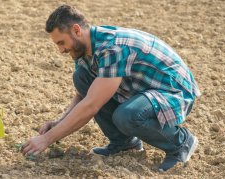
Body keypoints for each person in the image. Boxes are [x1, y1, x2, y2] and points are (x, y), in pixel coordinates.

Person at [22, 5, 201, 172]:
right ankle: (124, 143)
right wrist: (60, 122)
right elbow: (85, 93)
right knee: (81, 78)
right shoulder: (84, 49)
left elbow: (91, 104)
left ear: (76, 30)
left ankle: (180, 142)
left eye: (61, 43)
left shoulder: (112, 48)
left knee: (127, 115)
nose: (61, 50)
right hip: (142, 89)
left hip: (172, 90)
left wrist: (47, 139)